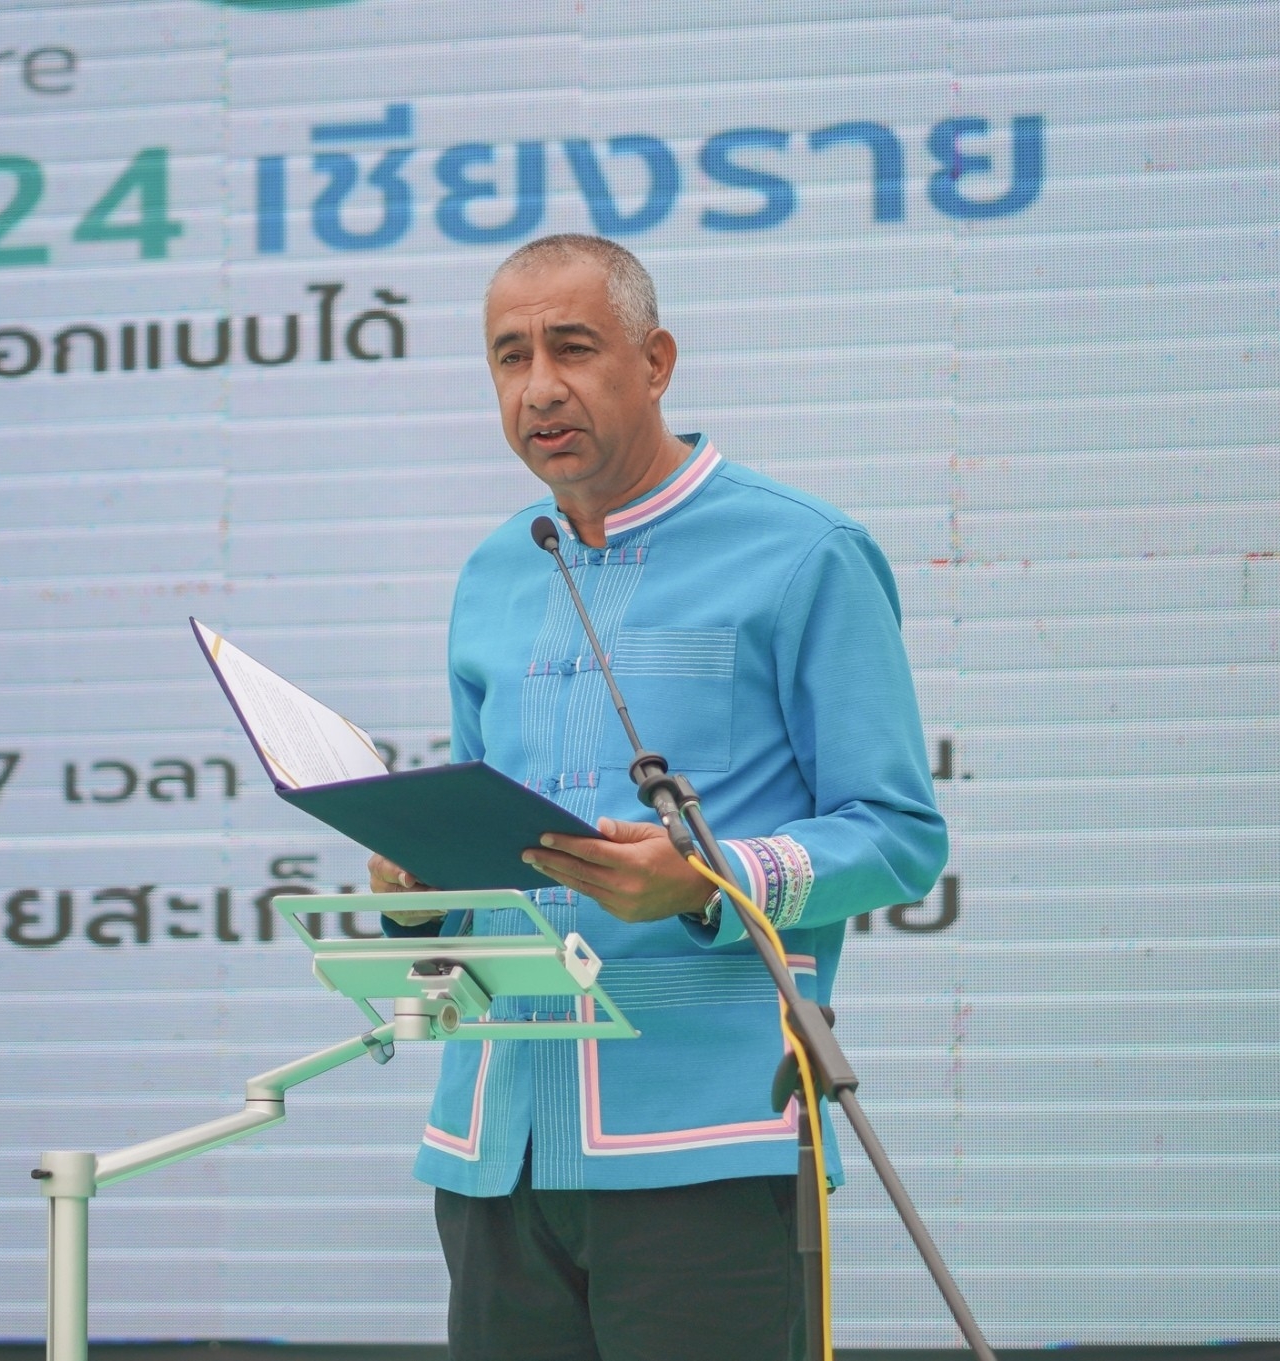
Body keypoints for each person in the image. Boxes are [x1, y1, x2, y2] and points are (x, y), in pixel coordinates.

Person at [370, 234, 947, 1361]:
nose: (540, 386)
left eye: (573, 348)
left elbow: (897, 835)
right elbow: (487, 848)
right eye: (510, 357)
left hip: (707, 1144)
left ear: (655, 360)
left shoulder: (805, 550)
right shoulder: (494, 569)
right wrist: (421, 890)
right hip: (493, 1144)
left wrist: (704, 879)